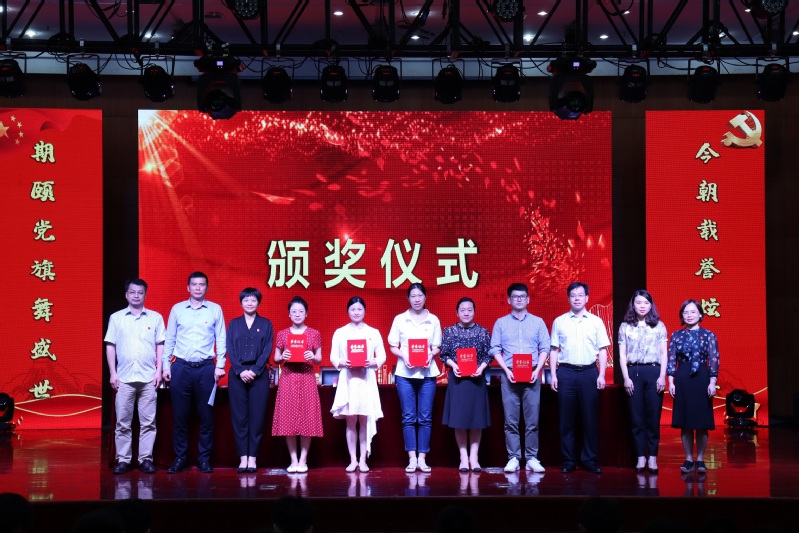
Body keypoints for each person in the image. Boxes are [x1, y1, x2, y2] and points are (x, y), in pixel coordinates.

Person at [162, 271, 226, 474]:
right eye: (194, 284)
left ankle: (204, 459)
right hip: (180, 368)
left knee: (206, 416)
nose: (198, 288)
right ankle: (180, 458)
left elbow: (221, 338)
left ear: (207, 288)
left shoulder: (215, 309)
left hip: (206, 369)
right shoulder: (177, 309)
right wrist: (165, 365)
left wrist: (220, 364)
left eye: (202, 284)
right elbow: (170, 339)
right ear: (188, 287)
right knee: (180, 417)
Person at [104, 278, 165, 475]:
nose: (136, 295)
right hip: (124, 378)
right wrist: (113, 373)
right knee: (123, 422)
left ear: (145, 295)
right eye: (132, 292)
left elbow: (161, 345)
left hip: (148, 378)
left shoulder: (155, 318)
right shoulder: (116, 318)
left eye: (140, 292)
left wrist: (159, 371)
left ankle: (145, 459)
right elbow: (110, 345)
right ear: (126, 295)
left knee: (148, 423)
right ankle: (123, 460)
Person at [489, 282, 550, 474]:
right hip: (509, 374)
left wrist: (537, 370)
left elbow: (545, 348)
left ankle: (531, 458)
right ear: (509, 300)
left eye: (522, 296)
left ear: (528, 299)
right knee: (510, 420)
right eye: (515, 297)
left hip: (532, 373)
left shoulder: (538, 322)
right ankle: (513, 457)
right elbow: (495, 349)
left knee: (532, 420)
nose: (519, 299)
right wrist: (506, 370)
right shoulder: (501, 323)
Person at [550, 281, 610, 474]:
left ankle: (589, 460)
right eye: (573, 295)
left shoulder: (596, 321)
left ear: (587, 298)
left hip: (589, 373)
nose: (577, 298)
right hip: (566, 373)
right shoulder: (559, 321)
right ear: (568, 298)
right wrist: (553, 375)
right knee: (566, 420)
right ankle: (568, 461)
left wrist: (602, 374)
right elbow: (553, 349)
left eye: (580, 295)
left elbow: (603, 350)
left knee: (589, 419)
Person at [387, 283, 442, 473]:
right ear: (408, 299)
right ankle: (412, 458)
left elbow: (437, 346)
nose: (417, 299)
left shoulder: (433, 320)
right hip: (405, 374)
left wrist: (430, 355)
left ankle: (422, 458)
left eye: (420, 295)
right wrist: (404, 356)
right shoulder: (400, 319)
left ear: (425, 297)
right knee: (409, 416)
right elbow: (393, 345)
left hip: (427, 373)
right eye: (413, 296)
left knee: (425, 417)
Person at [330, 296, 386, 472]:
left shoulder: (373, 332)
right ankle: (353, 460)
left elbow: (382, 356)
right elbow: (333, 356)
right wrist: (342, 362)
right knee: (350, 420)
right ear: (348, 311)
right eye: (353, 309)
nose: (356, 312)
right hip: (348, 379)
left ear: (365, 311)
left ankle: (363, 460)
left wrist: (372, 362)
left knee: (364, 419)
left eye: (359, 309)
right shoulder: (340, 332)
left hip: (366, 379)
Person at [272, 296, 324, 473]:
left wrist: (313, 356)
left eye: (301, 311)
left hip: (307, 377)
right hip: (288, 377)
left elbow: (319, 359)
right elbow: (276, 358)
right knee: (288, 419)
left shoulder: (314, 333)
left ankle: (303, 460)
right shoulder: (282, 334)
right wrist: (282, 356)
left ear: (306, 313)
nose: (297, 314)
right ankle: (293, 460)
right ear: (289, 314)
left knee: (307, 417)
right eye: (293, 311)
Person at [618, 289, 668, 474]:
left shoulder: (659, 326)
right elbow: (622, 355)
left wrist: (662, 376)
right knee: (636, 418)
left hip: (654, 371)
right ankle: (640, 457)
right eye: (638, 302)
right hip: (633, 372)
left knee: (653, 418)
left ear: (651, 305)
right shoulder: (625, 326)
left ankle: (653, 457)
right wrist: (626, 378)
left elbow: (663, 353)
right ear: (633, 304)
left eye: (646, 303)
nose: (642, 306)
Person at [440, 297, 492, 472]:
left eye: (470, 309)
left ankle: (474, 458)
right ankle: (463, 458)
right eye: (462, 310)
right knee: (459, 420)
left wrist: (481, 367)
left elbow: (488, 355)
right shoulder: (449, 331)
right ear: (457, 312)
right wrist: (454, 365)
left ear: (474, 312)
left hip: (477, 380)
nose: (466, 313)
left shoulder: (483, 332)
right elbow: (444, 354)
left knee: (476, 420)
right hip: (458, 380)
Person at [667, 299, 719, 474]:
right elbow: (672, 359)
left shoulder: (709, 335)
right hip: (683, 377)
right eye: (686, 312)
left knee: (702, 422)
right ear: (682, 316)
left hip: (702, 377)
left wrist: (712, 382)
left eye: (693, 312)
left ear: (700, 315)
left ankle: (700, 459)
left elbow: (713, 359)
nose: (689, 315)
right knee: (686, 421)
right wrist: (670, 381)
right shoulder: (676, 335)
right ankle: (689, 458)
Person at [227, 287, 273, 473]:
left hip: (259, 375)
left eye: (253, 300)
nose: (249, 303)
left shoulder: (266, 323)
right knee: (239, 418)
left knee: (257, 418)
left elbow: (267, 349)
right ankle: (243, 458)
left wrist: (254, 370)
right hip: (237, 375)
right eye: (246, 300)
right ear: (241, 302)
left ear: (258, 302)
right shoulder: (234, 324)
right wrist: (240, 370)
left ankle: (252, 457)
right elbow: (230, 348)